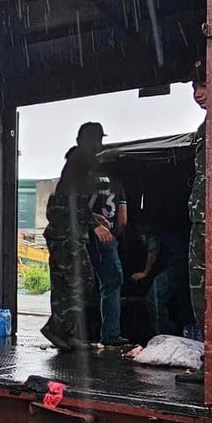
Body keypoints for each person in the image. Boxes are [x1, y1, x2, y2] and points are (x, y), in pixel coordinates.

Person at [39, 123, 109, 351]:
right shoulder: (82, 162)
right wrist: (93, 224)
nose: (99, 145)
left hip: (62, 233)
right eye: (97, 140)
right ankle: (64, 331)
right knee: (82, 282)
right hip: (68, 235)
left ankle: (62, 332)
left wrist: (93, 217)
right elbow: (73, 199)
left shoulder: (75, 162)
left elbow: (70, 199)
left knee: (64, 284)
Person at [179, 60, 208, 383]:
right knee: (200, 291)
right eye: (194, 88)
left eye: (204, 86)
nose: (198, 94)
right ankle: (210, 355)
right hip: (202, 220)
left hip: (210, 223)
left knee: (206, 290)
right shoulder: (207, 126)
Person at [88, 161, 129, 347]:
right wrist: (114, 235)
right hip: (106, 239)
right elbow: (122, 220)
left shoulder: (84, 181)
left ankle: (78, 335)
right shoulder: (116, 184)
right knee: (111, 285)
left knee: (79, 286)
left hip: (82, 239)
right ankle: (110, 335)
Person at [131, 225, 188, 337]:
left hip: (175, 262)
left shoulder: (150, 227)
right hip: (177, 261)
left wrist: (145, 272)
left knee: (154, 299)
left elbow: (153, 248)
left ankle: (163, 335)